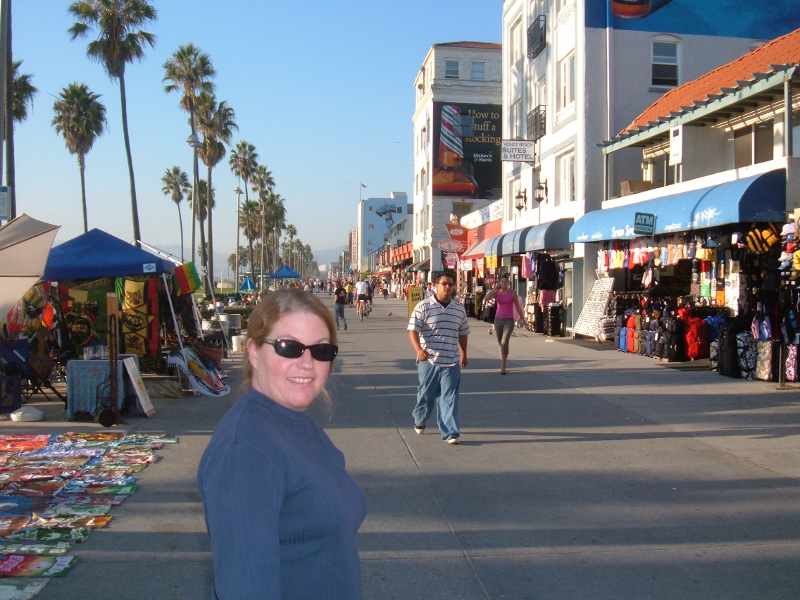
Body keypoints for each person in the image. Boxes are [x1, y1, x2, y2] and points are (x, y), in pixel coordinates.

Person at [198, 289, 366, 599]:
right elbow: (244, 585)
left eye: (321, 350)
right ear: (253, 351)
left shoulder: (291, 421)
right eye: (289, 347)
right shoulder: (247, 450)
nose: (307, 363)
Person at [407, 273, 469, 445]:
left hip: (451, 361)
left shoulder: (458, 309)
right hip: (429, 361)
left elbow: (463, 332)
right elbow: (412, 330)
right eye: (444, 284)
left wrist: (464, 352)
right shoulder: (424, 306)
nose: (448, 287)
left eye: (450, 284)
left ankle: (450, 432)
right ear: (435, 285)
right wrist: (418, 350)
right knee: (426, 395)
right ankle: (420, 418)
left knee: (449, 398)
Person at [483, 275, 524, 375]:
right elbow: (486, 299)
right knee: (501, 342)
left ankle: (503, 365)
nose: (504, 284)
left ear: (509, 284)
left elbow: (518, 307)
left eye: (506, 282)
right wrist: (494, 289)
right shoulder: (497, 292)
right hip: (498, 320)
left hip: (509, 320)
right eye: (502, 282)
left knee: (504, 340)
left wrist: (522, 318)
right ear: (500, 283)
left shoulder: (512, 293)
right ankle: (505, 354)